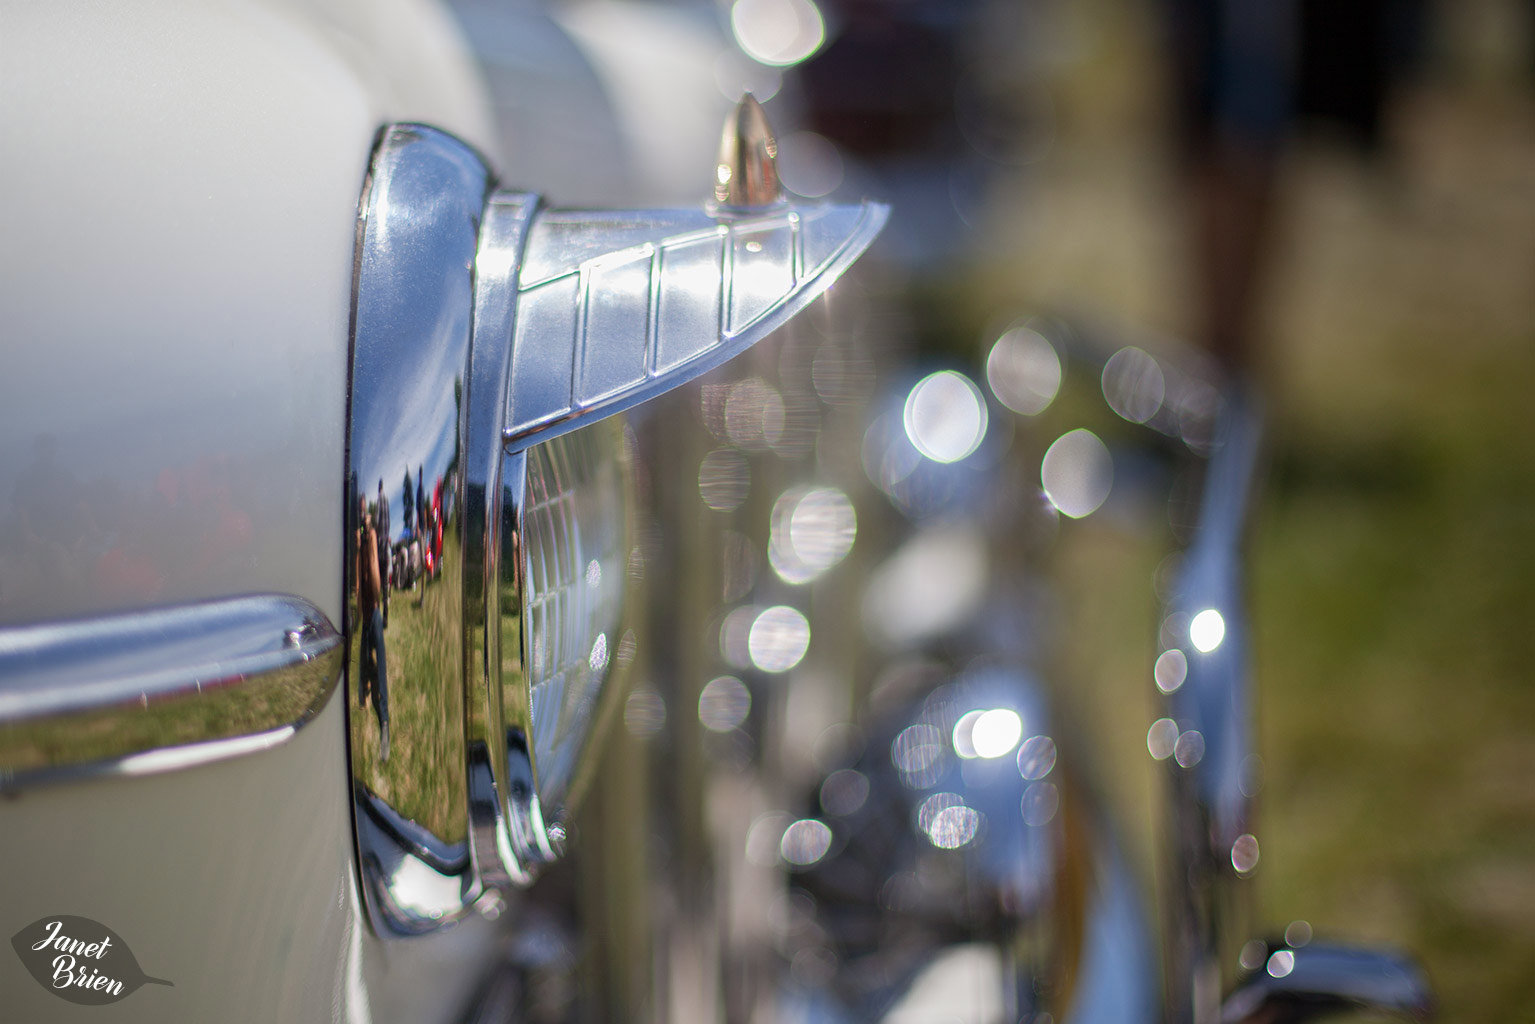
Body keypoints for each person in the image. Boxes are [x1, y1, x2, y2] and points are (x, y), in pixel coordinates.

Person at [355, 493, 390, 762]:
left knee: (381, 672)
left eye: (367, 514)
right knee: (363, 664)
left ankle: (385, 725)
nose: (365, 520)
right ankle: (363, 697)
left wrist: (370, 548)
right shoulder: (356, 543)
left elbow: (375, 589)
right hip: (364, 618)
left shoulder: (372, 540)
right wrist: (358, 549)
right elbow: (358, 588)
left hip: (375, 615)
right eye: (362, 514)